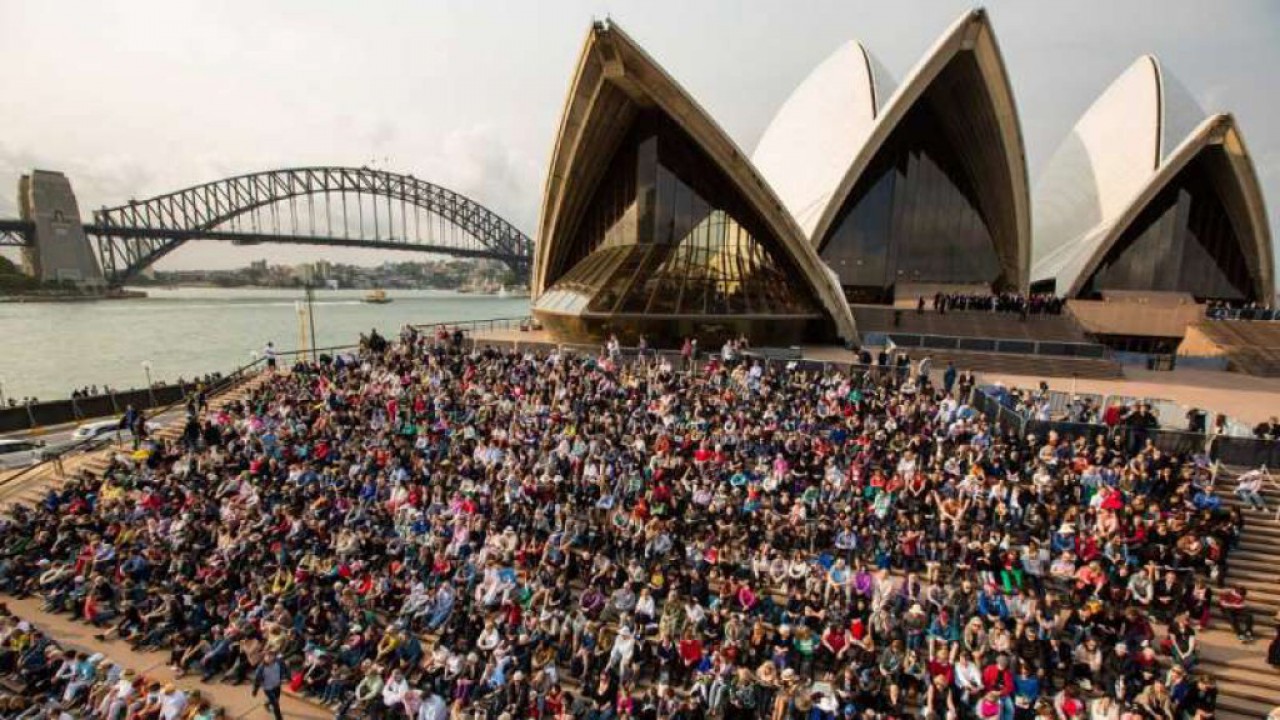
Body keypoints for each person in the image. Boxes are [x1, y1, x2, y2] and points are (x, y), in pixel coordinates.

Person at [252, 651, 288, 720]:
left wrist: (285, 676)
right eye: (267, 657)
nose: (269, 658)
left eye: (271, 656)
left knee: (276, 700)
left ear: (274, 657)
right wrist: (255, 690)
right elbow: (257, 680)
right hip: (268, 688)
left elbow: (284, 666)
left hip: (277, 686)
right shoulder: (261, 668)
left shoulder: (278, 662)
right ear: (264, 658)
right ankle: (279, 718)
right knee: (276, 704)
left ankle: (267, 704)